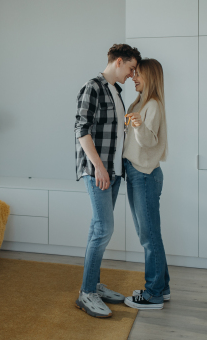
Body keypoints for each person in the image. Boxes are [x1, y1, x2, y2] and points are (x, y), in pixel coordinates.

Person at [74, 43, 141, 318]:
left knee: (96, 229)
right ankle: (86, 293)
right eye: (131, 68)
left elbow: (112, 132)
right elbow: (81, 129)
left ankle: (94, 286)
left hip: (113, 172)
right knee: (104, 228)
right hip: (98, 172)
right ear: (118, 62)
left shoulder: (116, 91)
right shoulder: (93, 86)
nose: (132, 74)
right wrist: (98, 167)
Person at [122, 58, 169, 310]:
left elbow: (149, 142)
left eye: (138, 74)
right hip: (137, 172)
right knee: (151, 234)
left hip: (144, 174)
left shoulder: (152, 105)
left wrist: (137, 124)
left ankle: (153, 295)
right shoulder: (139, 102)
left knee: (148, 236)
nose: (133, 77)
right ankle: (163, 287)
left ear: (150, 77)